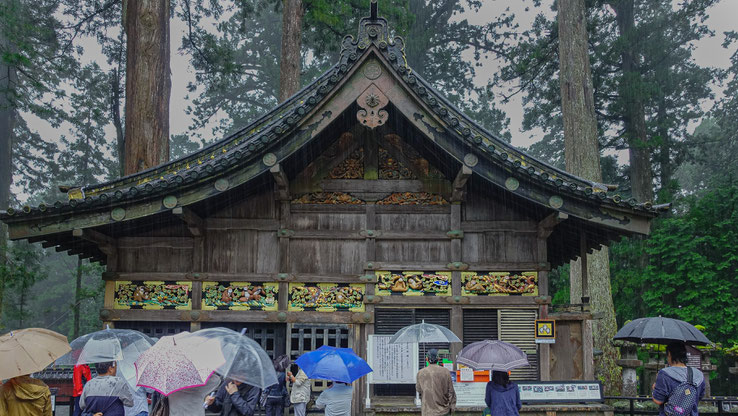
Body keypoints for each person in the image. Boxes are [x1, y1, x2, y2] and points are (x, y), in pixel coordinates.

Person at [652, 342, 706, 416]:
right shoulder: (698, 374)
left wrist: (655, 387)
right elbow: (699, 396)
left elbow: (658, 401)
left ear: (669, 354)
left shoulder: (664, 374)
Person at [416, 349, 456, 416]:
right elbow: (451, 392)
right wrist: (452, 407)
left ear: (427, 359)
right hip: (443, 411)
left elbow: (418, 389)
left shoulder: (421, 373)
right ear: (438, 359)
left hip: (427, 411)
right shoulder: (446, 371)